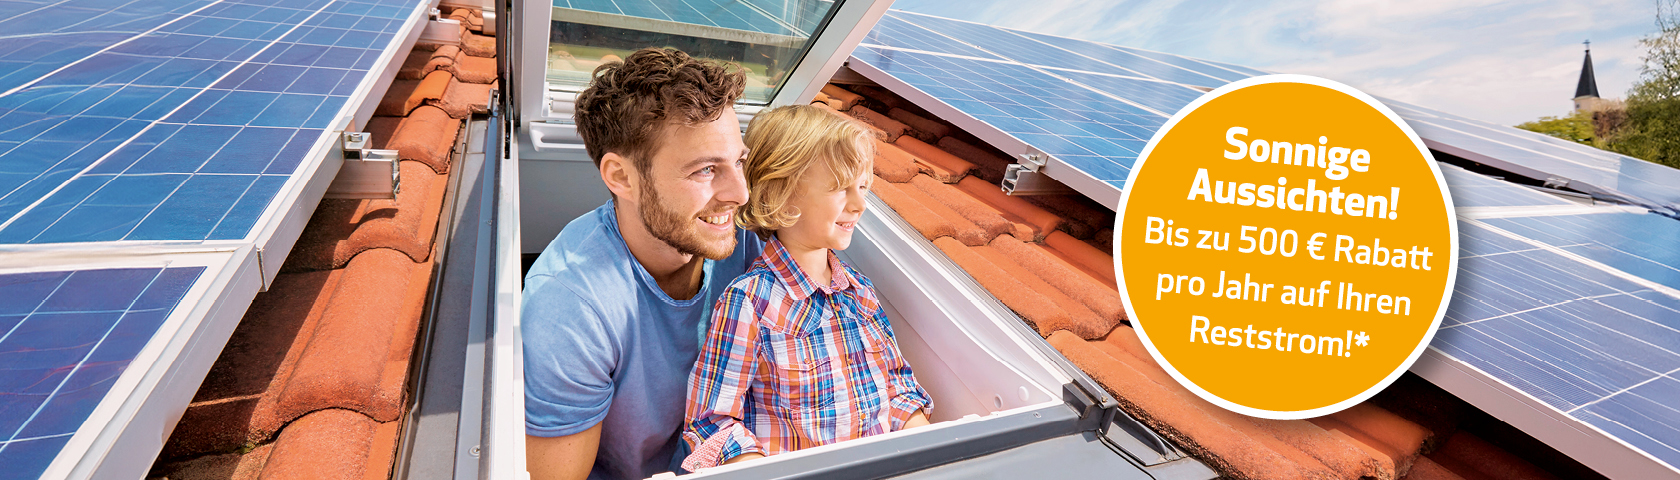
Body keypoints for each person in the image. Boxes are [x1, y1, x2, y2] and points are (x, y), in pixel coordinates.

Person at [522, 47, 764, 480]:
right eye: (706, 169)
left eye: (738, 161)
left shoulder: (744, 240)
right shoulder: (570, 307)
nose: (740, 194)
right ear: (621, 177)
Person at [679, 105, 933, 471]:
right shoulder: (749, 302)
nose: (860, 204)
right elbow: (710, 421)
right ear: (782, 195)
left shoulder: (859, 292)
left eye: (861, 187)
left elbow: (896, 388)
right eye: (840, 188)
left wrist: (928, 450)